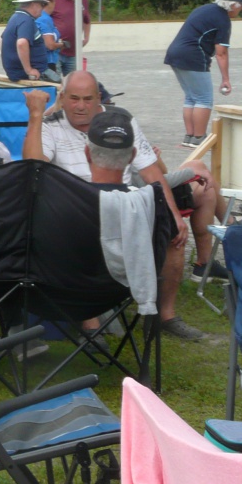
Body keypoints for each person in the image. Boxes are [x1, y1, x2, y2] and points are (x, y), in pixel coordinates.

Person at [22, 73, 214, 341]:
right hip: (75, 212)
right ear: (62, 98)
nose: (80, 106)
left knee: (172, 234)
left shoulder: (120, 121)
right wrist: (35, 116)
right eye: (74, 99)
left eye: (87, 99)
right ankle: (90, 323)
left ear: (99, 98)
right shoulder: (51, 124)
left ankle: (165, 315)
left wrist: (174, 216)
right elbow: (33, 169)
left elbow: (152, 173)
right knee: (80, 236)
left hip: (124, 206)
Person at [164, 0, 242, 147]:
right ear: (233, 5)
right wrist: (225, 79)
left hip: (175, 53)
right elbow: (221, 53)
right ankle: (199, 138)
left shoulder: (204, 9)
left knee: (191, 97)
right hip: (194, 55)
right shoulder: (223, 19)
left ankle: (190, 137)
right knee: (204, 99)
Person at [0, 0, 49, 82]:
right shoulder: (27, 20)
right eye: (42, 5)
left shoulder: (15, 17)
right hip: (30, 76)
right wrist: (29, 70)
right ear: (34, 4)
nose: (43, 9)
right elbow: (21, 43)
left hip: (18, 73)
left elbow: (1, 40)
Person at [52, 0, 92, 76]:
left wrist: (86, 38)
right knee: (56, 82)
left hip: (74, 52)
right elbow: (43, 19)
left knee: (73, 82)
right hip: (56, 51)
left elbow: (87, 20)